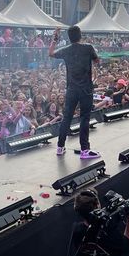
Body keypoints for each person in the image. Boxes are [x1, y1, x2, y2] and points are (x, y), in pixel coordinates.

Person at [49, 26, 100, 159]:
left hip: (71, 89)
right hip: (86, 89)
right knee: (84, 118)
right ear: (80, 35)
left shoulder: (66, 50)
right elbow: (97, 61)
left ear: (69, 37)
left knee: (67, 118)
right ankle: (84, 150)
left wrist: (55, 38)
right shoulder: (88, 48)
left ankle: (60, 147)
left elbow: (51, 53)